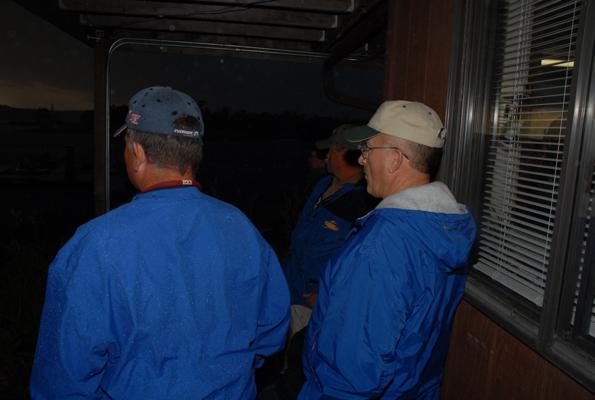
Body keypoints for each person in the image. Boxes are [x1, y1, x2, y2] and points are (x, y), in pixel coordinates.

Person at [30, 86, 290, 399]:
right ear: (193, 152)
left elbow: (63, 375)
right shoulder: (240, 227)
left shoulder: (96, 244)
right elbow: (272, 331)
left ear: (137, 152)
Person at [299, 101, 476, 399]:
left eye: (368, 149)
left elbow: (353, 375)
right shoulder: (442, 228)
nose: (361, 159)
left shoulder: (381, 247)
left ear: (395, 159)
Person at [283, 124, 377, 318]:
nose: (326, 156)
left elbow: (362, 263)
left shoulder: (364, 201)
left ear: (345, 153)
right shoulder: (322, 184)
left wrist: (329, 296)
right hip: (291, 288)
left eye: (330, 150)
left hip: (317, 303)